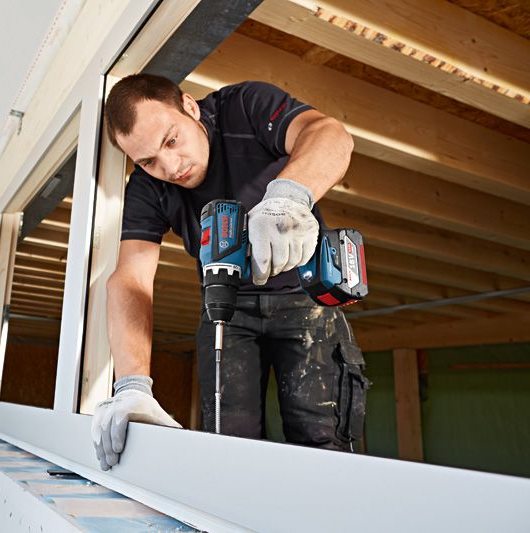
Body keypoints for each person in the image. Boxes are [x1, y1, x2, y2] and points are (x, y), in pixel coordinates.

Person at [90, 74, 370, 471]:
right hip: (226, 308)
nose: (170, 166)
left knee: (323, 442)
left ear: (190, 107)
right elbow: (131, 279)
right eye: (148, 161)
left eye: (171, 140)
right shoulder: (147, 188)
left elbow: (329, 134)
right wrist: (132, 385)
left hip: (304, 296)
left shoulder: (244, 107)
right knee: (227, 446)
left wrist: (288, 197)